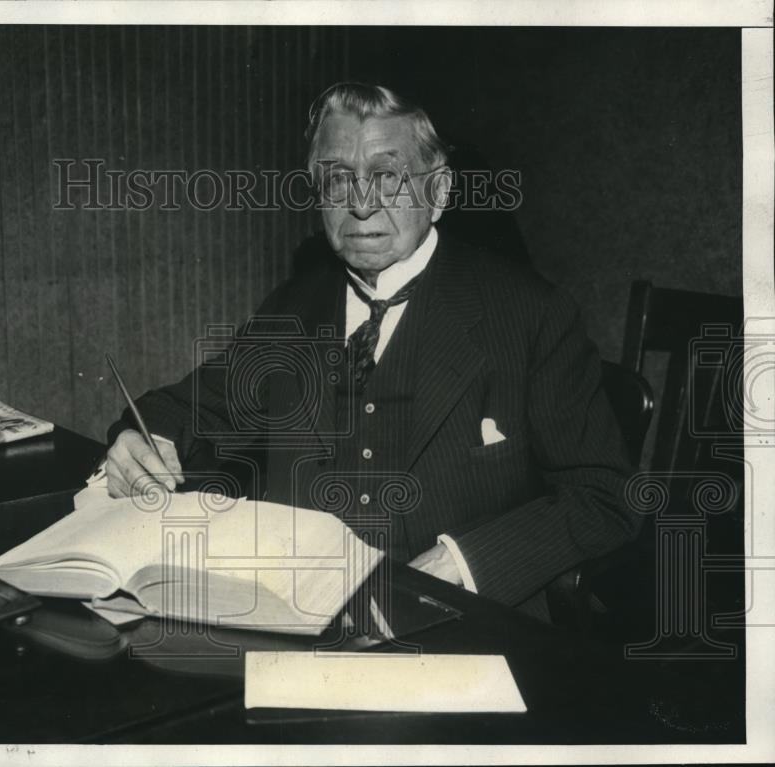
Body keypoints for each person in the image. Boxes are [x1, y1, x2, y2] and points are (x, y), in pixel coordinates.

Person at [104, 82, 639, 620]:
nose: (361, 203)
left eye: (388, 176)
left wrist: (460, 563)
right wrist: (143, 440)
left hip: (461, 621)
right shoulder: (292, 307)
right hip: (291, 615)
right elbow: (187, 407)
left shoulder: (531, 315)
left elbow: (605, 495)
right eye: (339, 178)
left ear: (441, 189)